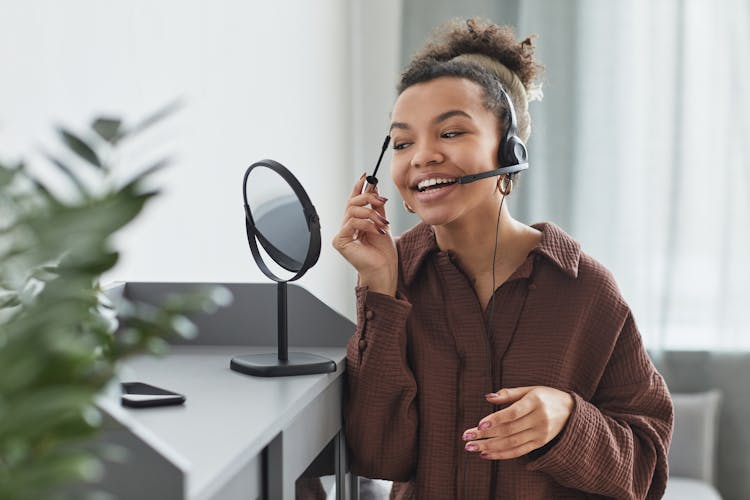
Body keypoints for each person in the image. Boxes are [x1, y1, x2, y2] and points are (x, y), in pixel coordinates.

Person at [332, 18, 673, 500]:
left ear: (509, 149)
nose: (422, 156)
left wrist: (568, 419)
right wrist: (380, 291)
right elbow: (377, 455)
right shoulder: (392, 279)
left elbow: (648, 470)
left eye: (451, 133)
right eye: (404, 142)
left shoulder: (586, 289)